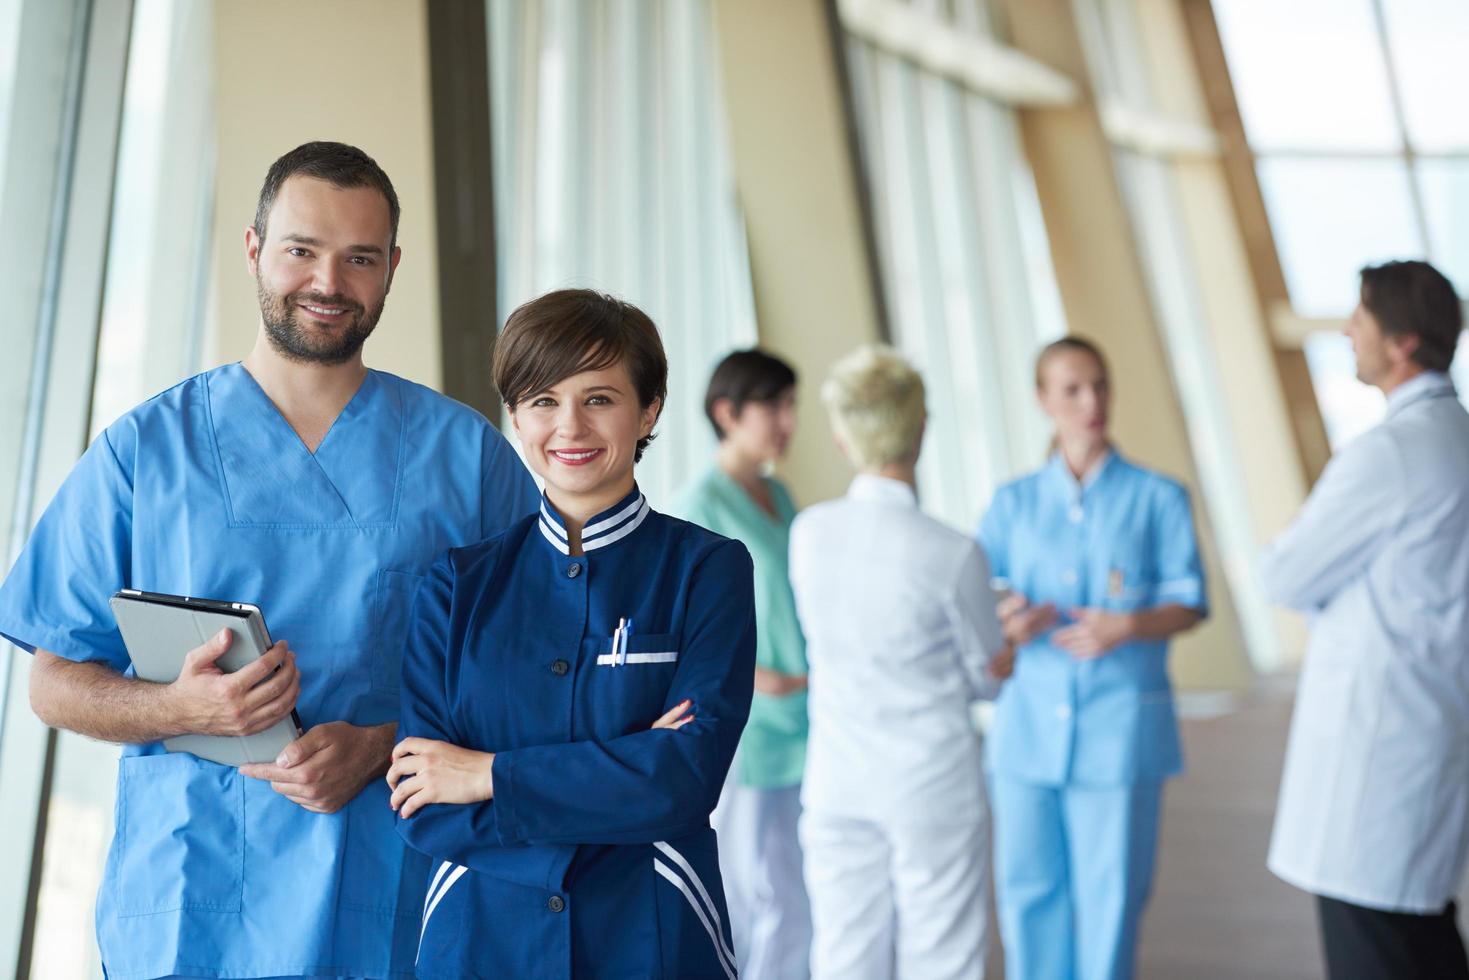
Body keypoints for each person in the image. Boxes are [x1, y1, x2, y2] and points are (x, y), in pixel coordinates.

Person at [0, 142, 538, 978]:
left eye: (359, 258)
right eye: (300, 250)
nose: (328, 282)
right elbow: (52, 681)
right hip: (195, 900)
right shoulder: (145, 454)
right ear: (254, 250)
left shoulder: (465, 459)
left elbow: (535, 674)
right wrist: (181, 708)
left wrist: (384, 743)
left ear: (391, 269)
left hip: (399, 889)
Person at [386, 289, 756, 979]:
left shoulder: (706, 570)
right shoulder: (456, 586)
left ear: (648, 410)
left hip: (651, 929)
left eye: (599, 399)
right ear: (516, 416)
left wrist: (487, 773)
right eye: (543, 400)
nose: (570, 427)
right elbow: (422, 801)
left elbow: (685, 779)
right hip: (480, 940)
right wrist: (625, 775)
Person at [1261, 260, 1469, 980]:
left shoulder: (1388, 454)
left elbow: (1282, 574)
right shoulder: (1456, 440)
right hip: (1429, 733)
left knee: (1374, 950)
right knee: (1425, 942)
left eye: (1362, 318)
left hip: (1376, 759)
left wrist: (1308, 549)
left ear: (1403, 341)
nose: (1348, 330)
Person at [977, 336, 1207, 980]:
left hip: (1119, 730)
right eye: (1073, 389)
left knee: (1113, 896)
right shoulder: (1012, 503)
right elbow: (979, 602)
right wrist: (1012, 622)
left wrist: (1129, 624)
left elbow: (1189, 601)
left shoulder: (1159, 496)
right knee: (1028, 892)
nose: (1092, 401)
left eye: (1100, 385)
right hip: (1026, 736)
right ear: (1043, 400)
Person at [789, 344, 1008, 980]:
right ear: (920, 430)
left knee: (843, 953)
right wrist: (1006, 647)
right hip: (930, 783)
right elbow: (984, 675)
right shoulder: (954, 551)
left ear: (841, 438)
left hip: (838, 779)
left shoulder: (809, 534)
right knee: (942, 957)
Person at [676, 348, 812, 979]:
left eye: (790, 405)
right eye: (773, 406)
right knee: (760, 893)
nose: (786, 420)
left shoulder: (777, 492)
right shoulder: (701, 504)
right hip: (750, 726)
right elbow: (685, 628)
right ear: (726, 412)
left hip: (802, 716)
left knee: (797, 891)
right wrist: (756, 679)